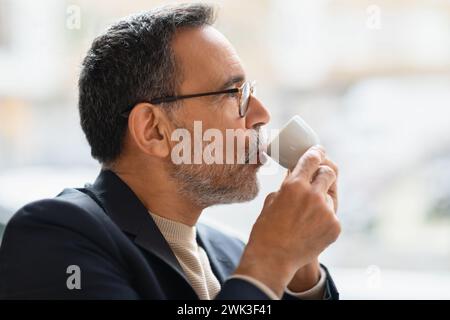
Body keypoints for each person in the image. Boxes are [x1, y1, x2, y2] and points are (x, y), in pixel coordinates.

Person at [0, 3, 340, 300]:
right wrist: (272, 259)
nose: (262, 114)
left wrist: (300, 272)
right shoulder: (55, 237)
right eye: (234, 93)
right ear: (154, 129)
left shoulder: (233, 252)